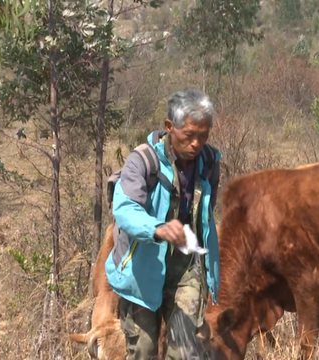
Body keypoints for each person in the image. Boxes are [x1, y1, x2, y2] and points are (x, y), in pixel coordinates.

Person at [104, 88, 222, 359]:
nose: (196, 144)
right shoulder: (142, 160)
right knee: (143, 349)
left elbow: (205, 214)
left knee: (184, 350)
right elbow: (125, 208)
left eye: (203, 136)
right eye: (189, 135)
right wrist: (156, 229)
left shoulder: (208, 162)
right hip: (143, 267)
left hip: (185, 267)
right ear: (170, 127)